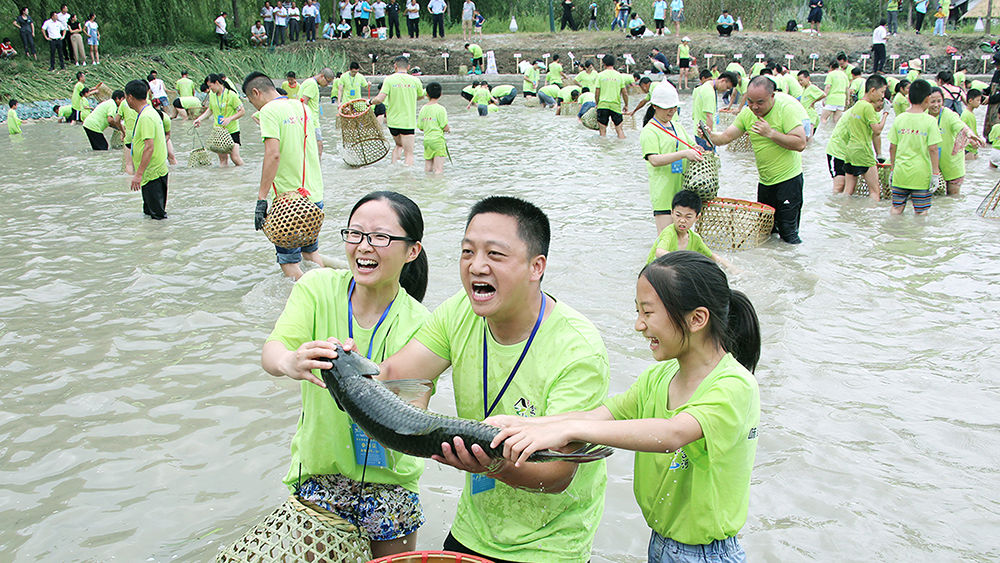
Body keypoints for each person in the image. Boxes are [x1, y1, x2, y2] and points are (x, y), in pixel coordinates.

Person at [331, 195, 610, 563]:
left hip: (550, 546)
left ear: (535, 266)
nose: (476, 266)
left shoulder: (578, 350)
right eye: (467, 252)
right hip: (472, 530)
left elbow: (557, 475)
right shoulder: (461, 311)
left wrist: (492, 464)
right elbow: (396, 375)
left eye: (495, 255)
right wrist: (336, 360)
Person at [489, 250, 759, 563]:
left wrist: (568, 430)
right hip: (660, 544)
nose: (638, 326)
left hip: (707, 554)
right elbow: (598, 415)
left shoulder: (735, 385)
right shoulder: (659, 376)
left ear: (696, 319)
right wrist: (526, 425)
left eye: (648, 313)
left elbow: (672, 434)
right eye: (637, 312)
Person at [262, 186, 428, 556]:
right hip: (318, 476)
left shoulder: (423, 324)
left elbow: (416, 410)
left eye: (381, 237)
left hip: (391, 484)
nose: (364, 246)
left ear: (411, 250)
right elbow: (273, 352)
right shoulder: (316, 287)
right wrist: (290, 361)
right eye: (355, 234)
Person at [242, 72, 327, 280]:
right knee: (310, 253)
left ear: (256, 92)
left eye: (251, 100)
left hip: (289, 203)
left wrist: (261, 198)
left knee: (289, 263)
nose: (254, 106)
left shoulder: (269, 111)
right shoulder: (303, 107)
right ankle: (328, 292)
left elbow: (273, 154)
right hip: (314, 197)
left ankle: (301, 303)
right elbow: (314, 145)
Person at [708, 76, 808, 244]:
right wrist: (709, 136)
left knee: (788, 234)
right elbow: (726, 137)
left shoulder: (786, 109)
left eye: (760, 102)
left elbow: (800, 143)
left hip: (789, 181)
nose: (754, 107)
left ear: (772, 96)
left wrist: (771, 133)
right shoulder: (748, 114)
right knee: (765, 232)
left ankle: (793, 266)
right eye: (750, 101)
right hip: (765, 182)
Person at [640, 82, 702, 233]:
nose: (672, 111)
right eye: (667, 107)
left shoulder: (676, 126)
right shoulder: (649, 131)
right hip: (663, 195)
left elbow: (692, 146)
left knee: (683, 242)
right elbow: (654, 160)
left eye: (674, 107)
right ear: (654, 106)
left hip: (683, 193)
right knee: (667, 242)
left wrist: (699, 145)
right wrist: (683, 154)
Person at [645, 191, 735, 272]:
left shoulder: (695, 239)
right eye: (678, 215)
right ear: (672, 213)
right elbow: (659, 252)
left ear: (697, 217)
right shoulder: (669, 232)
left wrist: (732, 268)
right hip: (652, 274)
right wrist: (685, 258)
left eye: (688, 217)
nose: (682, 220)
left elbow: (712, 257)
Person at [888, 79, 940, 215]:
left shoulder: (899, 119)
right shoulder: (930, 121)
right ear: (928, 98)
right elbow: (933, 149)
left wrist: (893, 169)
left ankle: (893, 234)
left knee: (896, 208)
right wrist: (935, 174)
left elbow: (892, 147)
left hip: (900, 173)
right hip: (921, 175)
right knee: (921, 212)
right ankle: (917, 236)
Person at [836, 75, 889, 200]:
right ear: (872, 91)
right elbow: (877, 130)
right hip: (863, 151)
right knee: (875, 192)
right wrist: (886, 113)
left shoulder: (858, 105)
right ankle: (871, 219)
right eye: (882, 92)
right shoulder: (868, 107)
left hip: (850, 151)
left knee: (847, 192)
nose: (882, 96)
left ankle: (843, 214)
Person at [124, 80, 169, 220]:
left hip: (152, 173)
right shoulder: (150, 111)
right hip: (154, 172)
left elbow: (149, 147)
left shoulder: (146, 116)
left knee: (157, 217)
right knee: (150, 214)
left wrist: (138, 174)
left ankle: (159, 240)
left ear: (130, 97)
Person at [927, 86, 984, 195]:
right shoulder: (923, 115)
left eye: (939, 101)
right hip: (930, 161)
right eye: (932, 101)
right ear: (926, 101)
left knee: (952, 197)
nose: (936, 105)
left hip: (951, 160)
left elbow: (960, 125)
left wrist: (969, 134)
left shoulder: (949, 114)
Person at [371, 56, 425, 165]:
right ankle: (406, 178)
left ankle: (394, 168)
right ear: (408, 67)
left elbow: (380, 98)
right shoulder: (415, 80)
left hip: (393, 122)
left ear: (395, 66)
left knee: (398, 145)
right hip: (407, 122)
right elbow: (420, 96)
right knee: (409, 153)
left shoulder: (389, 79)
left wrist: (370, 102)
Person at [194, 73, 246, 167]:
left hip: (232, 131)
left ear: (217, 82)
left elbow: (242, 111)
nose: (210, 89)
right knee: (222, 160)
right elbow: (210, 110)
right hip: (219, 132)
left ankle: (242, 177)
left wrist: (229, 119)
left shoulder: (231, 95)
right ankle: (223, 180)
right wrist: (199, 119)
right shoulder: (212, 95)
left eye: (210, 86)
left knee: (235, 158)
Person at [690, 70, 737, 150]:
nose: (726, 90)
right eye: (727, 87)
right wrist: (709, 139)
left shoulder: (706, 85)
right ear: (723, 80)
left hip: (699, 131)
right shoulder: (709, 92)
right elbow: (709, 116)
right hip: (704, 135)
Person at [298, 67, 336, 156]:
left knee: (314, 147)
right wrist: (305, 122)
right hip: (311, 121)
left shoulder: (309, 82)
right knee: (318, 146)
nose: (327, 84)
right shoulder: (312, 84)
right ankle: (317, 168)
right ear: (322, 76)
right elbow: (303, 102)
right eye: (327, 81)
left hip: (310, 120)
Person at [418, 82, 451, 173]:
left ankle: (427, 184)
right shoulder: (441, 109)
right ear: (440, 94)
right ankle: (438, 185)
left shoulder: (423, 109)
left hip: (427, 141)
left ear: (427, 94)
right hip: (438, 140)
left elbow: (420, 127)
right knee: (438, 169)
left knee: (428, 168)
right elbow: (444, 126)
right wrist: (448, 129)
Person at [595, 54, 628, 138]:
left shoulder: (600, 75)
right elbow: (624, 92)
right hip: (615, 105)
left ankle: (603, 149)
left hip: (603, 105)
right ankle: (623, 148)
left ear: (604, 63)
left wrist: (597, 103)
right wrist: (626, 105)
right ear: (614, 63)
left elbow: (597, 91)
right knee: (619, 130)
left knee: (602, 132)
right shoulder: (619, 76)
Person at [797, 70, 826, 140]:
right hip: (805, 115)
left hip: (811, 115)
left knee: (809, 137)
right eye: (799, 81)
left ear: (808, 78)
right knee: (806, 137)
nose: (800, 82)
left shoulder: (812, 87)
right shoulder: (805, 89)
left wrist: (814, 102)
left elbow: (823, 94)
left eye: (801, 80)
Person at [820, 60, 848, 125]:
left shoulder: (831, 74)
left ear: (831, 67)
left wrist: (824, 98)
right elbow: (847, 89)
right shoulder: (844, 75)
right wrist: (847, 99)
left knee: (823, 118)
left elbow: (828, 87)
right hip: (841, 100)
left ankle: (823, 134)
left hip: (832, 99)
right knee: (836, 121)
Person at [963, 89, 983, 160]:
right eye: (977, 100)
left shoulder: (972, 114)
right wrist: (971, 141)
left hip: (973, 147)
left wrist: (979, 139)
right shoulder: (965, 115)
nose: (979, 103)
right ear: (970, 101)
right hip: (967, 148)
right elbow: (961, 131)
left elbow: (973, 130)